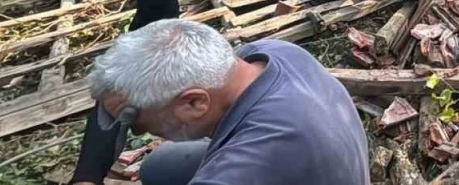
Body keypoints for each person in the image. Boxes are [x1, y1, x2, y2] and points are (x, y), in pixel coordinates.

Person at [69, 19, 369, 185]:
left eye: (139, 124)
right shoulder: (269, 53)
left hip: (290, 159)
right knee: (161, 165)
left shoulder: (248, 164)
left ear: (194, 103)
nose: (138, 130)